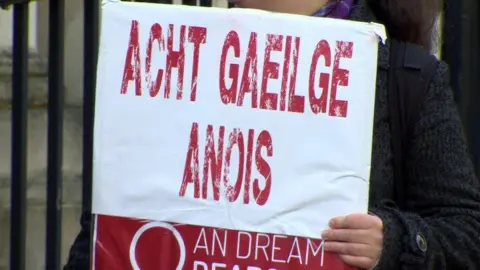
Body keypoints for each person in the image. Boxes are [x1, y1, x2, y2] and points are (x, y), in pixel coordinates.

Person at [64, 0, 480, 269]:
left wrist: (391, 241)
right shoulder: (173, 57)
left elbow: (465, 233)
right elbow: (107, 231)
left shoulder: (404, 77)